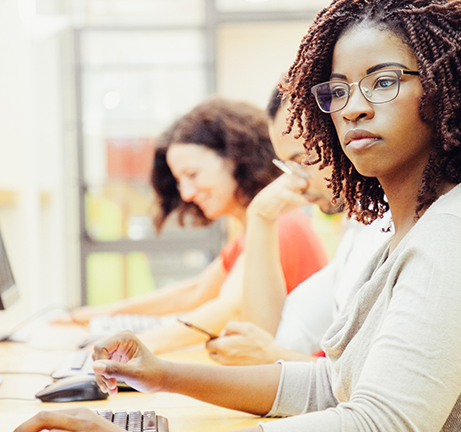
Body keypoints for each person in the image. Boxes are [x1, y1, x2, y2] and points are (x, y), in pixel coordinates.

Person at [6, 0, 461, 432]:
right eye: (338, 90)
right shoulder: (408, 230)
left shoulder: (459, 235)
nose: (354, 109)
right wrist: (164, 373)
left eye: (384, 81)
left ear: (447, 89)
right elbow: (332, 385)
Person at [70, 97, 328, 354]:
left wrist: (129, 347)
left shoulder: (279, 223)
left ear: (236, 158)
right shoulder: (252, 230)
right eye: (180, 181)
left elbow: (230, 308)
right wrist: (101, 314)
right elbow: (195, 291)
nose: (186, 194)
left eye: (192, 175)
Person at [207, 86, 390, 364]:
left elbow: (377, 383)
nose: (298, 182)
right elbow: (272, 337)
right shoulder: (359, 231)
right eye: (289, 167)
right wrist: (261, 216)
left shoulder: (393, 229)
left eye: (301, 161)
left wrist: (273, 355)